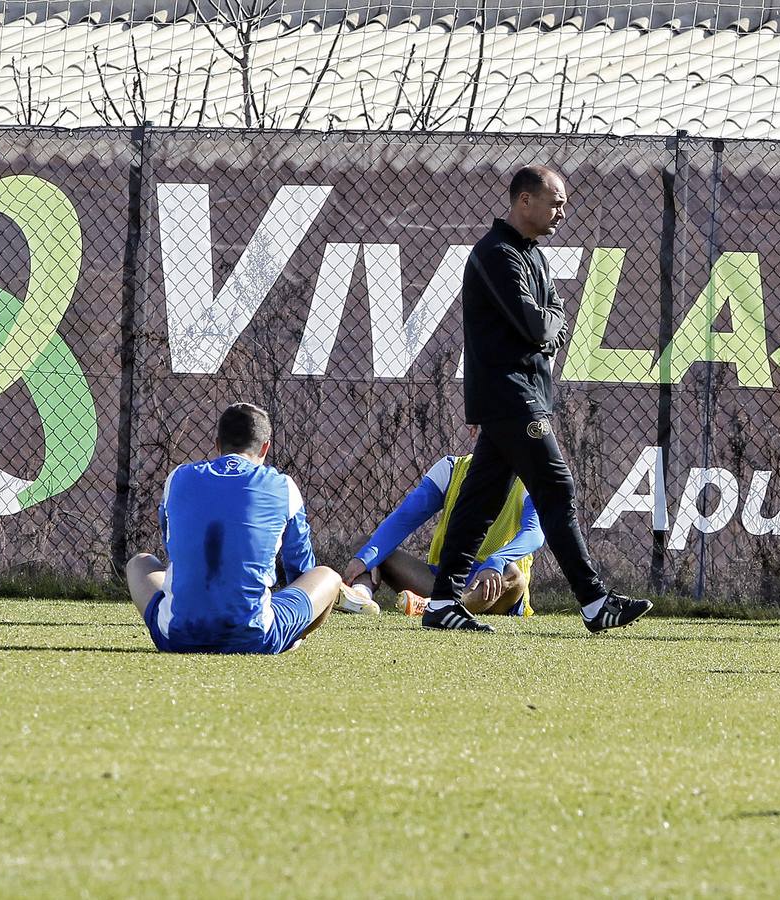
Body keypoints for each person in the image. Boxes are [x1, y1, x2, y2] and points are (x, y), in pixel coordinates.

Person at [419, 164, 653, 633]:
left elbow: (552, 323)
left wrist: (549, 324)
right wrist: (549, 324)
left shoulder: (534, 258)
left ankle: (442, 602)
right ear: (524, 201)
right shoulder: (496, 254)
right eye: (555, 201)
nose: (562, 211)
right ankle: (593, 601)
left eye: (563, 203)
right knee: (557, 488)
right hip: (512, 395)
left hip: (524, 394)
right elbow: (541, 325)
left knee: (480, 501)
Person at [124, 402, 343, 654]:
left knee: (139, 563)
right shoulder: (283, 486)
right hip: (254, 636)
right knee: (327, 576)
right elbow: (301, 570)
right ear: (265, 447)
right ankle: (290, 641)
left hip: (176, 637)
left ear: (217, 444)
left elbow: (171, 545)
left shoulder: (178, 477)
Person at [337, 453, 543, 617]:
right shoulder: (452, 468)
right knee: (366, 545)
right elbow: (405, 517)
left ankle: (435, 608)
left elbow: (534, 533)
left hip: (496, 589)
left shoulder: (529, 478)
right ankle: (360, 597)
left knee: (514, 573)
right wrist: (366, 558)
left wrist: (497, 560)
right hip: (443, 582)